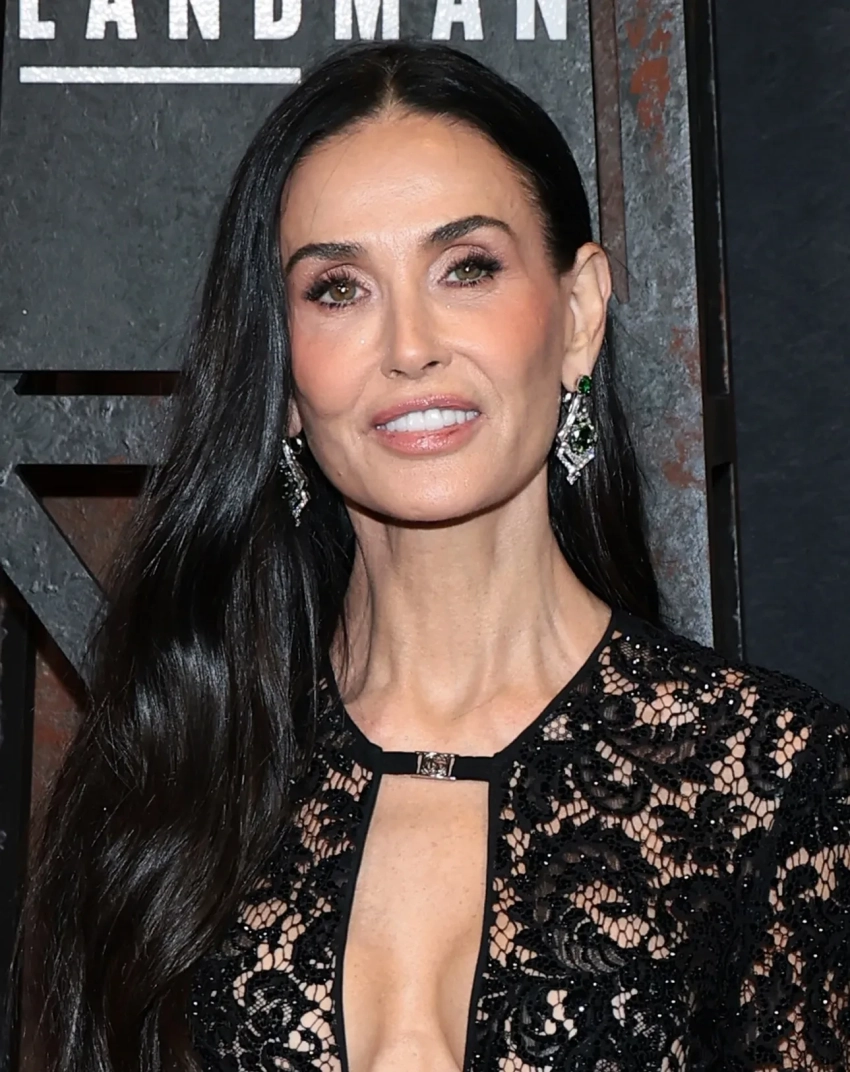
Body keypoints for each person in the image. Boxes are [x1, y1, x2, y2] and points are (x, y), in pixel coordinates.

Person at [11, 40, 850, 1072]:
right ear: (282, 374)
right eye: (338, 289)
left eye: (467, 268)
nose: (409, 346)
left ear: (579, 314)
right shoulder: (175, 768)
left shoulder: (773, 780)